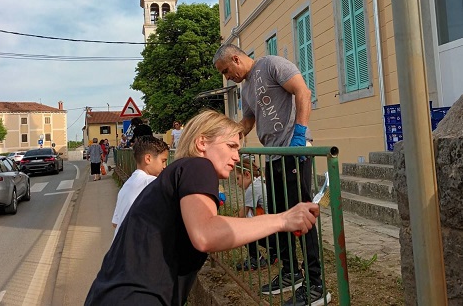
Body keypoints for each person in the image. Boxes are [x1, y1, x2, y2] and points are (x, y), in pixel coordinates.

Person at [85, 110, 319, 306]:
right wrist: (283, 220)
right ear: (202, 143)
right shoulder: (198, 166)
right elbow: (206, 234)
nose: (237, 157)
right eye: (231, 146)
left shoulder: (177, 173)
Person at [213, 44, 331, 306]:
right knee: (280, 216)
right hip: (274, 155)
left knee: (302, 216)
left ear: (235, 58)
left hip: (294, 150)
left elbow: (303, 91)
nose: (227, 76)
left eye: (226, 70)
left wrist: (300, 134)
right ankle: (290, 272)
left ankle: (316, 283)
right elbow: (248, 122)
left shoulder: (272, 64)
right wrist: (228, 135)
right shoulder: (246, 89)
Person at [112, 136, 169, 238]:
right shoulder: (151, 183)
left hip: (118, 249)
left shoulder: (127, 185)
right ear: (148, 159)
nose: (165, 166)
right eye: (163, 161)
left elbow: (115, 223)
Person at [234, 155, 276, 271]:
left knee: (241, 229)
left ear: (247, 174)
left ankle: (256, 259)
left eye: (237, 178)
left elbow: (242, 215)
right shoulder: (260, 182)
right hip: (275, 230)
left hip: (271, 233)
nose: (237, 183)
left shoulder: (253, 188)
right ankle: (275, 252)